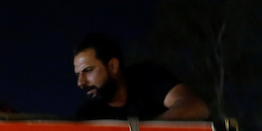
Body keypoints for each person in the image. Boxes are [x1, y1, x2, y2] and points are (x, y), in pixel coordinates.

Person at [72, 33, 209, 121]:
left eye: (88, 70)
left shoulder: (147, 77)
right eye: (78, 74)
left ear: (113, 66)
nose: (80, 82)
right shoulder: (87, 116)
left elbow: (196, 106)